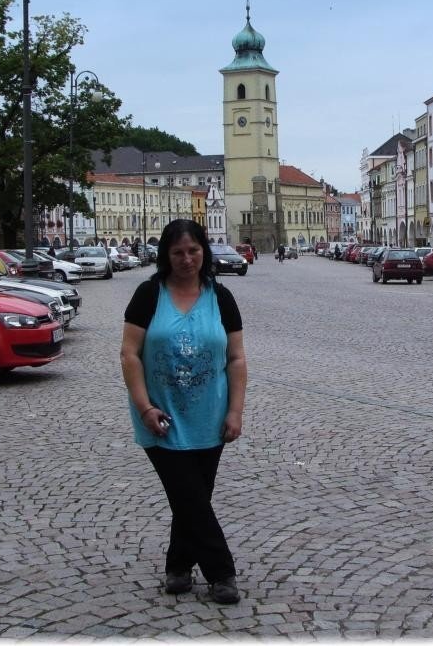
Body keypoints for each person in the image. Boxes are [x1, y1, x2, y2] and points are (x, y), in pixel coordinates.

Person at [120, 219, 248, 605]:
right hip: (159, 415)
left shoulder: (221, 297)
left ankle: (178, 567)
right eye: (178, 252)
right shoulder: (148, 294)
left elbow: (237, 358)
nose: (187, 259)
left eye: (193, 250)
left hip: (210, 415)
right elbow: (129, 354)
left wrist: (236, 411)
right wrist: (144, 406)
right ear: (166, 255)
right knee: (187, 492)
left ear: (204, 252)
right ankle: (221, 573)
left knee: (192, 497)